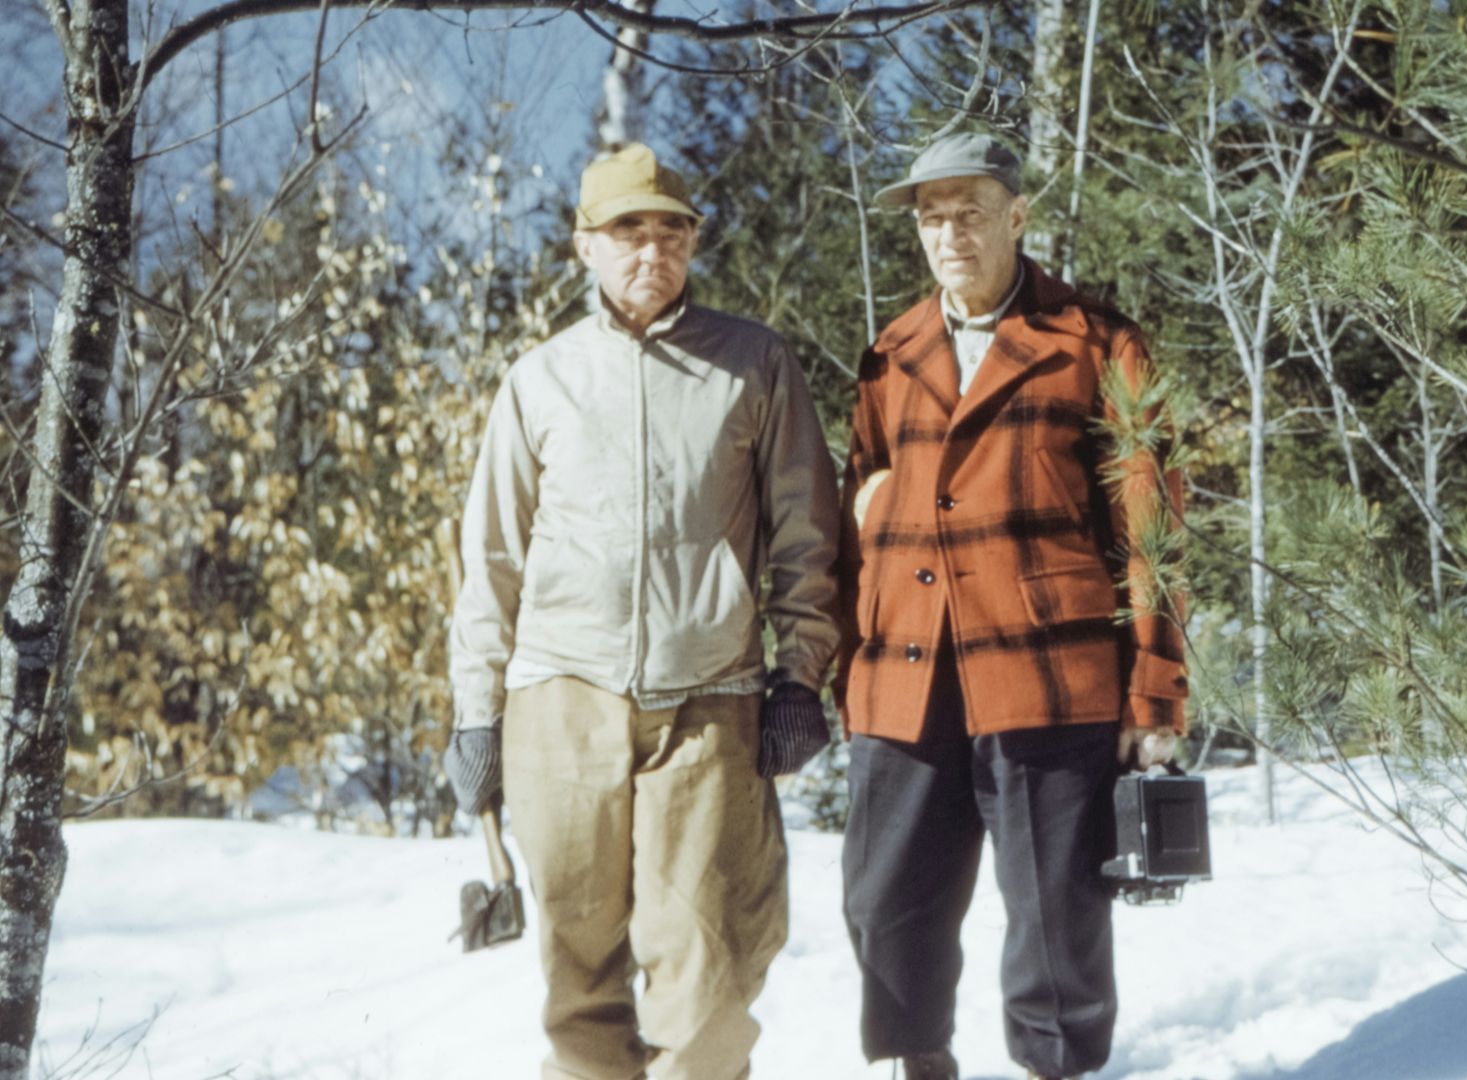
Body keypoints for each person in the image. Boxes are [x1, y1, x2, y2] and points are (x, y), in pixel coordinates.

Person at [442, 142, 840, 1080]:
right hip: (559, 700)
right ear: (584, 245)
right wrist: (475, 712)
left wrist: (800, 677)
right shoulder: (539, 379)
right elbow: (491, 557)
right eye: (629, 231)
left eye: (672, 231)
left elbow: (806, 533)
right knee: (577, 975)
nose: (652, 251)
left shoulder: (753, 364)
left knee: (708, 969)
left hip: (711, 700)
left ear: (695, 242)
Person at [834, 131, 1188, 1080]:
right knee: (884, 902)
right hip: (906, 673)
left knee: (1055, 919)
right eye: (932, 217)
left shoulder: (1098, 341)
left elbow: (1150, 529)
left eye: (971, 213)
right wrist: (844, 665)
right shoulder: (890, 353)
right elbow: (857, 503)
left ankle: (1054, 1071)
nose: (950, 234)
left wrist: (1154, 696)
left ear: (1018, 216)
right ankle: (921, 1066)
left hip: (1047, 675)